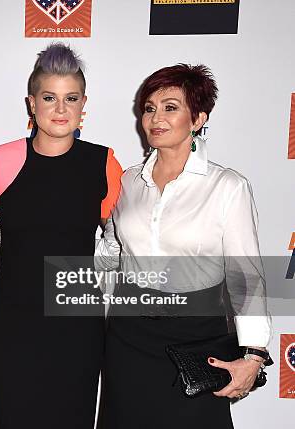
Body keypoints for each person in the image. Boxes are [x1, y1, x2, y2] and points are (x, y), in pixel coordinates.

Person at [95, 64, 272, 428]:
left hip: (196, 339)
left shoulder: (227, 187)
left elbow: (246, 277)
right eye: (149, 108)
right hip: (128, 339)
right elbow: (111, 252)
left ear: (198, 118)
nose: (156, 118)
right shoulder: (126, 181)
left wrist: (253, 356)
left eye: (170, 107)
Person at [0, 43, 123, 428]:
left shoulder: (103, 163)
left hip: (76, 326)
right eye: (49, 98)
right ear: (31, 104)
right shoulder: (1, 158)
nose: (60, 110)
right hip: (13, 323)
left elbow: (129, 240)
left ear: (83, 105)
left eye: (70, 99)